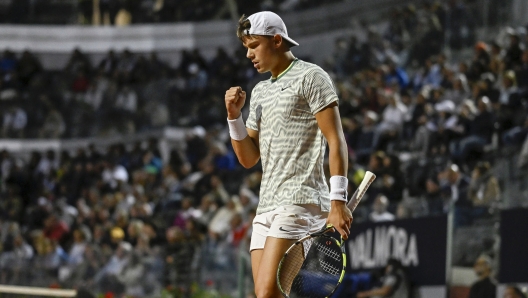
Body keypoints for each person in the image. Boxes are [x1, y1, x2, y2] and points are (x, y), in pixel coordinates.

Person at [223, 11, 352, 298]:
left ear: (277, 40)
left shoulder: (311, 76)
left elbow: (336, 139)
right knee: (266, 296)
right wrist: (234, 117)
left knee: (269, 293)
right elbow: (248, 159)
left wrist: (338, 200)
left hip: (301, 202)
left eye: (253, 45)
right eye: (246, 47)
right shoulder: (259, 92)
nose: (248, 54)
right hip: (267, 205)